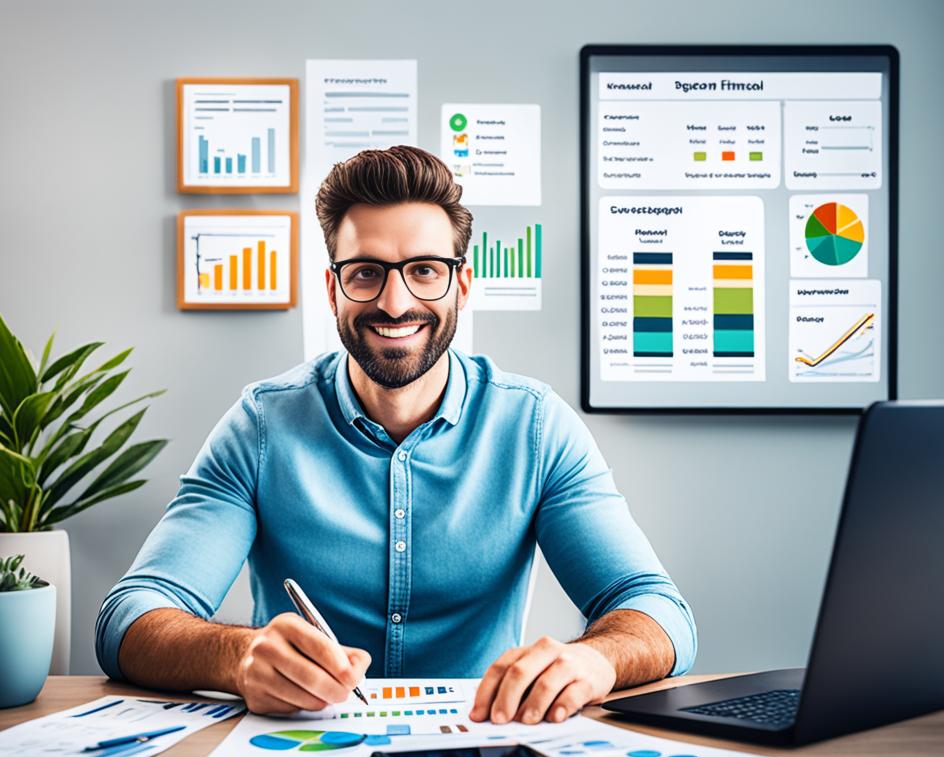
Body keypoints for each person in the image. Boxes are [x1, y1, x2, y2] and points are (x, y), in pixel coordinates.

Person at [95, 145, 696, 725]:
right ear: (333, 290)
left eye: (425, 271)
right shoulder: (262, 424)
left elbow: (659, 611)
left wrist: (593, 659)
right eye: (365, 273)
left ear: (461, 286)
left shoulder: (536, 426)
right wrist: (238, 656)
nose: (395, 301)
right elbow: (130, 617)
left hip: (475, 745)